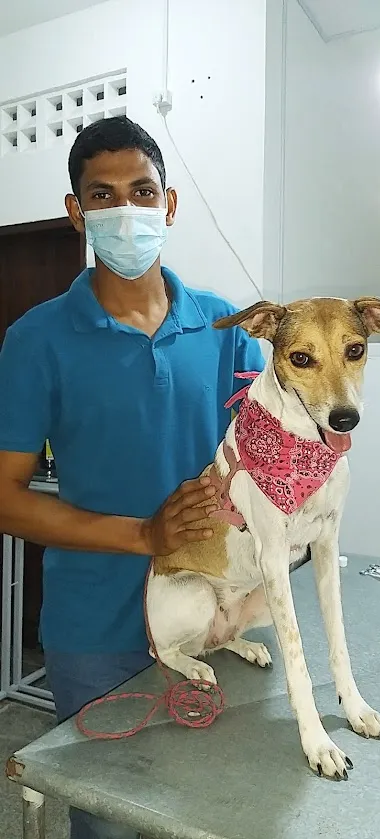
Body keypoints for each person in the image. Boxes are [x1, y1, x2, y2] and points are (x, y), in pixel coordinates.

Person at [0, 116, 264, 839]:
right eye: (103, 195)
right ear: (76, 212)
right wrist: (144, 533)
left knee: (203, 805)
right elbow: (4, 498)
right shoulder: (35, 340)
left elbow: (268, 459)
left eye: (141, 191)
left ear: (168, 205)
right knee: (110, 818)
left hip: (214, 613)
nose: (126, 210)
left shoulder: (224, 328)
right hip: (95, 631)